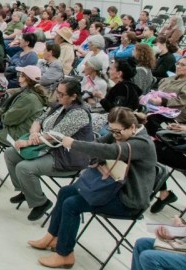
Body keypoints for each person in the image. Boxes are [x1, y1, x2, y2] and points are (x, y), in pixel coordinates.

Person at [30, 107, 157, 269]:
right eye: (112, 130)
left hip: (128, 200)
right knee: (65, 192)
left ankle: (64, 254)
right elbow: (98, 144)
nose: (114, 135)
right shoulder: (119, 133)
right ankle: (52, 237)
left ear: (132, 127)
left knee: (72, 204)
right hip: (112, 189)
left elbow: (110, 151)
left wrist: (74, 143)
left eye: (117, 131)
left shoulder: (142, 144)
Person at [5, 79, 93, 221]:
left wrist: (27, 142)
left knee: (24, 168)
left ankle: (41, 202)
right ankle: (27, 191)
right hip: (47, 147)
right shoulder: (59, 105)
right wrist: (34, 133)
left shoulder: (79, 113)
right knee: (10, 154)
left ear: (74, 96)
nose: (57, 95)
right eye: (57, 91)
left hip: (66, 157)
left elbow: (56, 135)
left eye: (62, 94)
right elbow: (39, 119)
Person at [144, 58, 186, 136]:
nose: (178, 66)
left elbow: (182, 101)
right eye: (177, 64)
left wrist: (163, 101)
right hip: (158, 109)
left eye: (183, 65)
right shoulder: (167, 79)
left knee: (151, 118)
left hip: (176, 115)